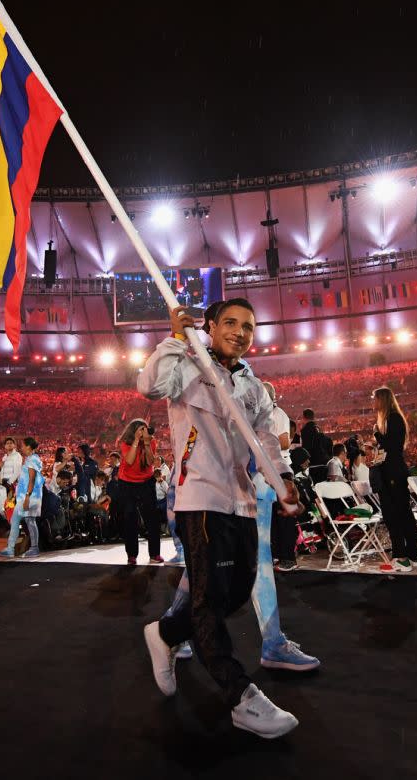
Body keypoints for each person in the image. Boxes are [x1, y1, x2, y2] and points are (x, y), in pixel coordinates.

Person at [139, 298, 301, 739]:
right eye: (230, 322)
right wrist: (175, 337)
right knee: (209, 605)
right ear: (209, 326)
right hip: (200, 498)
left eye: (248, 325)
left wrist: (283, 477)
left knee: (233, 595)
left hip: (243, 502)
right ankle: (241, 697)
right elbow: (149, 385)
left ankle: (168, 632)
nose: (240, 331)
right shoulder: (187, 364)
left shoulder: (253, 385)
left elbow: (266, 438)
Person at [373, 387, 417, 572]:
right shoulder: (395, 418)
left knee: (395, 515)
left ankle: (401, 557)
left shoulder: (392, 418)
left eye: (375, 399)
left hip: (392, 473)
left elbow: (390, 446)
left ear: (382, 400)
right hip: (396, 471)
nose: (373, 402)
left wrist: (377, 433)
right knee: (404, 514)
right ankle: (412, 556)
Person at [118, 419, 163, 565]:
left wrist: (148, 443)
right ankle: (132, 555)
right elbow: (130, 461)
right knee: (130, 519)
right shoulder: (125, 442)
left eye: (145, 429)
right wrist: (137, 441)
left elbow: (150, 462)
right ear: (134, 431)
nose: (144, 432)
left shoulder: (151, 442)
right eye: (141, 430)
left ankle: (155, 554)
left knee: (152, 519)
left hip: (146, 482)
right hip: (127, 483)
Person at [262, 382, 296, 571]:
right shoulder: (263, 416)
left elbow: (284, 442)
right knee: (274, 516)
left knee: (285, 516)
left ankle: (288, 558)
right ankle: (277, 555)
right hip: (269, 470)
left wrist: (262, 443)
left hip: (281, 468)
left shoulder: (278, 414)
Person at [0, 437, 44, 559]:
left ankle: (34, 548)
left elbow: (32, 479)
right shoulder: (29, 459)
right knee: (14, 520)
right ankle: (10, 549)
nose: (22, 448)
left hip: (30, 497)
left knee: (30, 520)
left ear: (29, 446)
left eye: (23, 445)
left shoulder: (33, 460)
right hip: (23, 496)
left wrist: (27, 497)